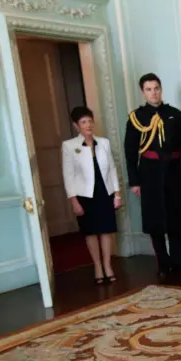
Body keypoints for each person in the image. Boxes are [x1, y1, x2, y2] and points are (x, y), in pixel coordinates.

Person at [123, 73, 181, 279]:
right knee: (156, 221)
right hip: (150, 172)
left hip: (173, 170)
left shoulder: (175, 114)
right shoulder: (136, 118)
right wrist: (134, 181)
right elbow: (130, 151)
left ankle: (177, 262)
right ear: (143, 92)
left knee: (175, 219)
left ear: (161, 89)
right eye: (149, 89)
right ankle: (163, 263)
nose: (153, 93)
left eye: (156, 88)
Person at [61, 106, 122, 284]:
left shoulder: (103, 143)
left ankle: (108, 265)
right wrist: (74, 201)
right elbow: (68, 175)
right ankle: (97, 266)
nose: (88, 125)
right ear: (76, 125)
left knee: (106, 230)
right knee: (90, 232)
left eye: (90, 121)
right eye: (83, 122)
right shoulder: (69, 146)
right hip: (85, 195)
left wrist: (117, 194)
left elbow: (112, 168)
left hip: (105, 192)